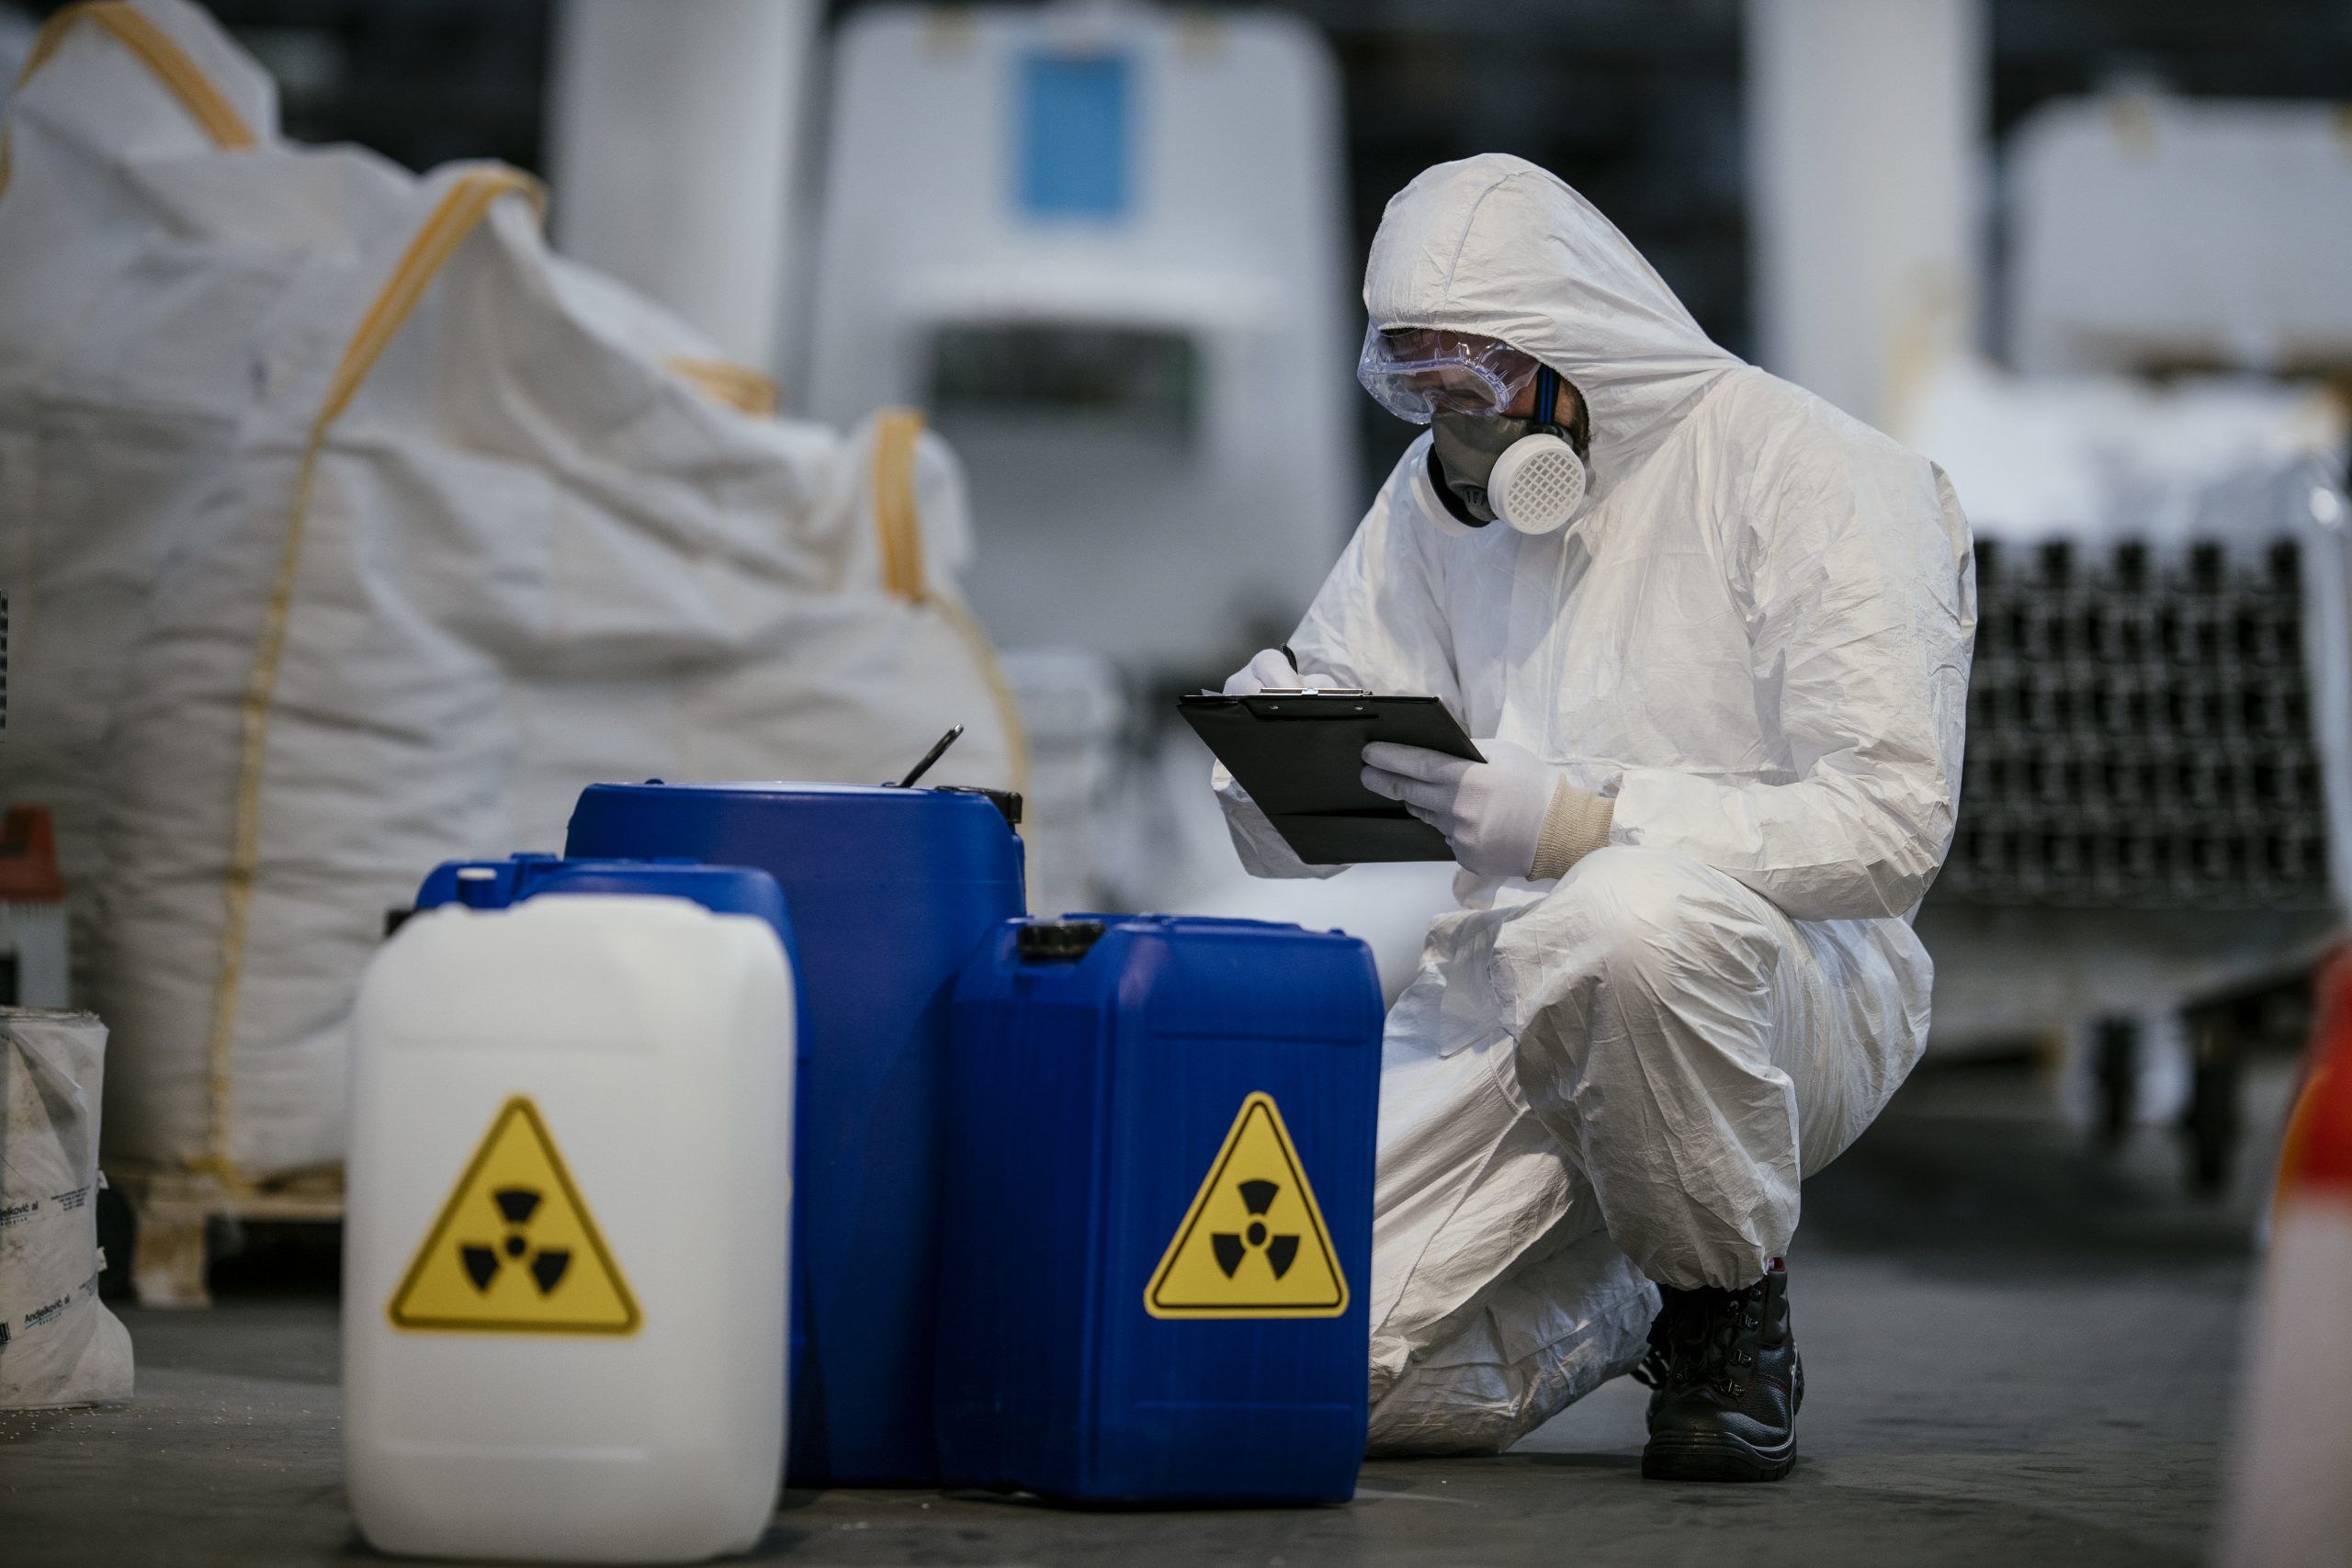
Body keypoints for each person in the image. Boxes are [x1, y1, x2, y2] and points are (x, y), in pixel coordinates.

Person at [1216, 154, 1974, 1482]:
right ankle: (1631, 1285)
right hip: (1507, 985)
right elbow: (1353, 709)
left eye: (1476, 392)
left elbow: (1888, 825)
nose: (1453, 433)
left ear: (1578, 347)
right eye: (1423, 393)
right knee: (1270, 1351)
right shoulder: (1434, 504)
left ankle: (1726, 1309)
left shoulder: (1815, 472)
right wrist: (1276, 754)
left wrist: (1582, 826)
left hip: (1783, 984)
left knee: (1624, 921)